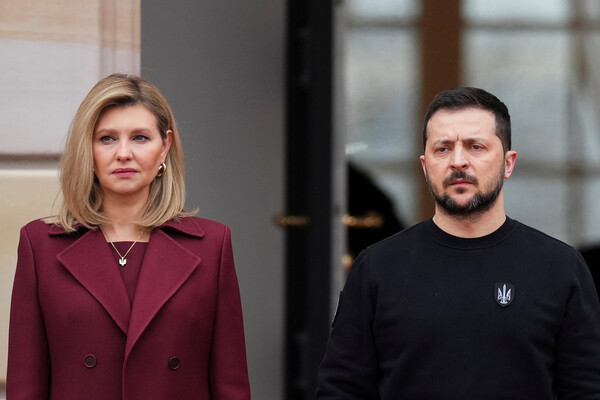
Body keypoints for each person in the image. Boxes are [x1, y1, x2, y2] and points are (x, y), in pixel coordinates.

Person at [316, 87, 600, 399]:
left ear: (508, 163)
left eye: (476, 147)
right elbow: (341, 389)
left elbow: (586, 389)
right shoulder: (377, 268)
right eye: (443, 149)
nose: (458, 161)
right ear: (425, 166)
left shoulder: (560, 268)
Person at [7, 73, 251, 399]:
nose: (123, 153)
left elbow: (230, 386)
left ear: (164, 147)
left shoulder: (212, 246)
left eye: (140, 137)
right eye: (107, 138)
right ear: (87, 149)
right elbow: (25, 385)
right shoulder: (39, 246)